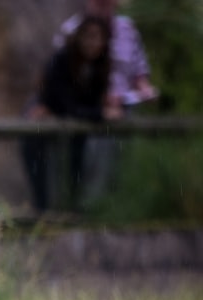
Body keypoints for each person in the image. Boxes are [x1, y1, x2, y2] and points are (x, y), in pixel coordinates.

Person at [22, 15, 119, 212]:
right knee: (42, 169)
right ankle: (43, 212)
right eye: (88, 36)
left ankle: (76, 210)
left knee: (77, 166)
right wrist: (100, 114)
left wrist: (98, 111)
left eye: (98, 37)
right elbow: (65, 105)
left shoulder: (101, 67)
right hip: (44, 125)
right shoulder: (61, 61)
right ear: (79, 37)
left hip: (75, 128)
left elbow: (83, 106)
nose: (93, 43)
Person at [55, 0, 157, 111]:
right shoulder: (71, 30)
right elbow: (61, 75)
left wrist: (145, 89)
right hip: (83, 106)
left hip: (124, 106)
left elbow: (139, 69)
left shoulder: (127, 28)